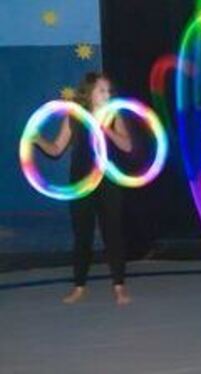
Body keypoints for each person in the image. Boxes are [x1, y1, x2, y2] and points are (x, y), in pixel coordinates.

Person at [34, 72, 133, 305]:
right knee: (82, 235)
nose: (107, 94)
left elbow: (127, 145)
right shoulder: (74, 116)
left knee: (113, 232)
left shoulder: (114, 115)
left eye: (109, 90)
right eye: (101, 90)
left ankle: (119, 287)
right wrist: (37, 139)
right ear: (89, 93)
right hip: (80, 182)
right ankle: (79, 286)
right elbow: (56, 148)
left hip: (109, 180)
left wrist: (105, 128)